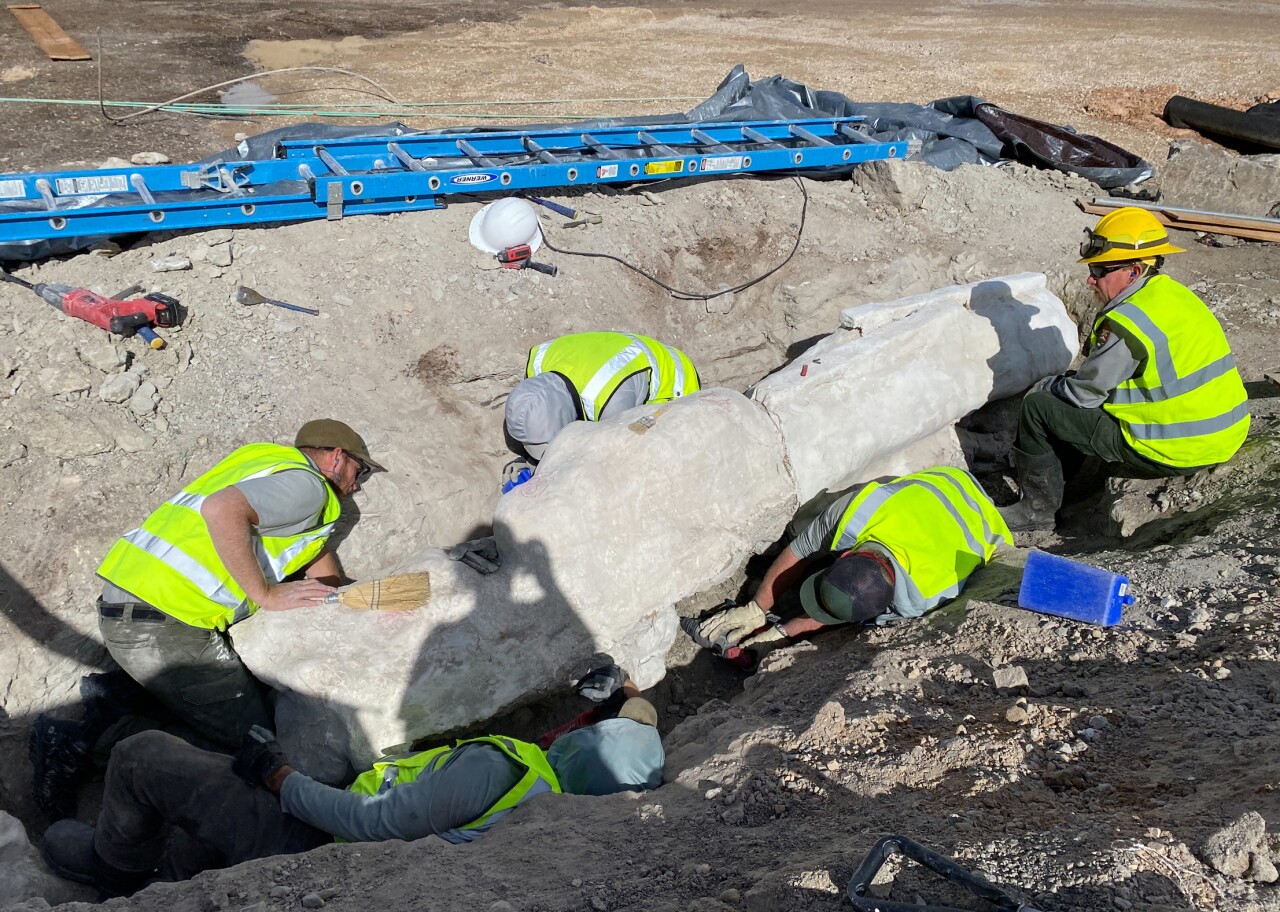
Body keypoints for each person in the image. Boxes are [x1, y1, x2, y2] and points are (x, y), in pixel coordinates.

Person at [40, 672, 663, 897]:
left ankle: (117, 873)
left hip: (314, 845)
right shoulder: (565, 814)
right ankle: (177, 870)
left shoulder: (502, 769)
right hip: (339, 838)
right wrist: (628, 696)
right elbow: (634, 736)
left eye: (599, 730)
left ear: (586, 748)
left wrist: (278, 776)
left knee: (143, 754)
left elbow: (369, 824)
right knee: (197, 834)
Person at [30, 419, 382, 818]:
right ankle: (80, 745)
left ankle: (123, 697)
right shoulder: (309, 487)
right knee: (255, 747)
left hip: (138, 600)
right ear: (337, 456)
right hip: (162, 620)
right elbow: (223, 510)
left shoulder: (266, 465)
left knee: (234, 694)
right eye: (361, 470)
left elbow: (311, 552)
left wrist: (345, 599)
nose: (359, 483)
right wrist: (264, 595)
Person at [999, 207, 1250, 532]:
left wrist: (1049, 387)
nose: (1091, 278)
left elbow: (1084, 394)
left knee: (1038, 406)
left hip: (1176, 446)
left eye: (1100, 269)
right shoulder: (1174, 295)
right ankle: (1065, 481)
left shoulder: (1128, 323)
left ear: (1134, 270)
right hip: (1225, 433)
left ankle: (1035, 513)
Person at [692, 466, 1012, 653]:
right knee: (809, 519)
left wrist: (785, 632)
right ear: (845, 553)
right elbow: (800, 549)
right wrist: (757, 607)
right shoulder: (857, 514)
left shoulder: (920, 600)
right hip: (946, 480)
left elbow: (849, 613)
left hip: (988, 524)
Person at [503, 331, 701, 467]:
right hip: (616, 351)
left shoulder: (610, 400)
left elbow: (610, 459)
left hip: (673, 379)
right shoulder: (538, 363)